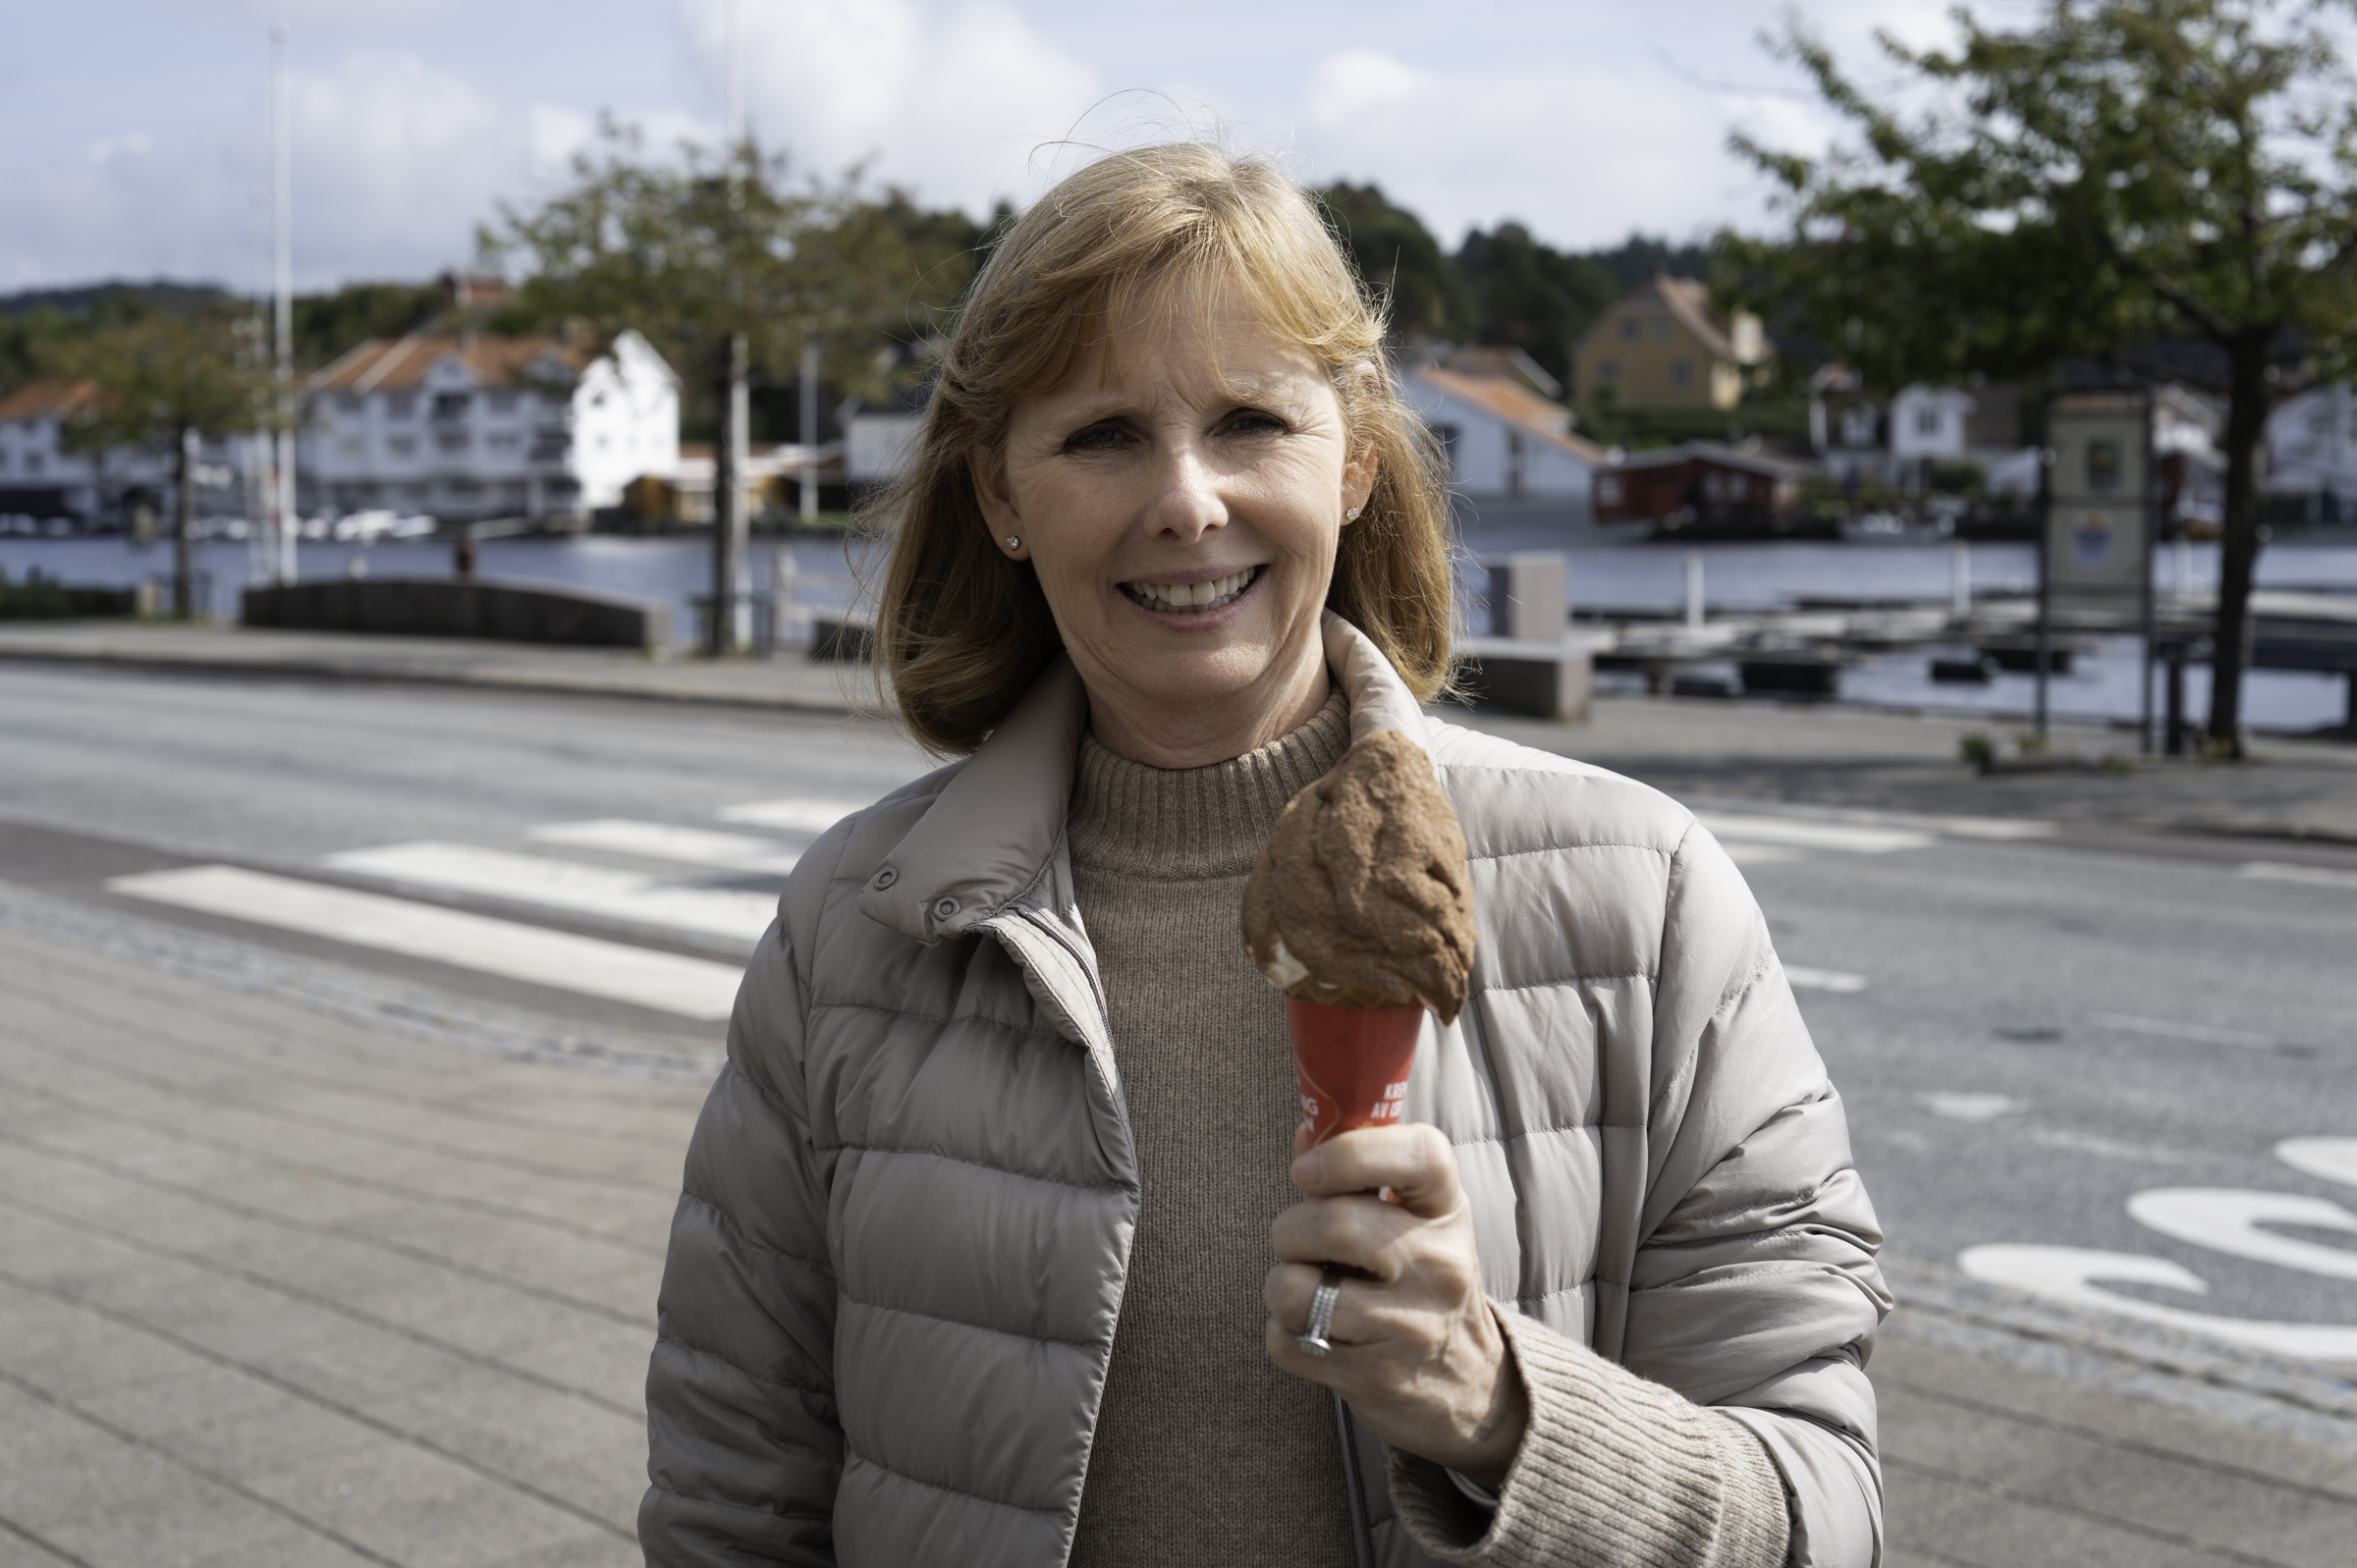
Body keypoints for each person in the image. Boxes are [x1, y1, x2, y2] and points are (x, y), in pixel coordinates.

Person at [639, 142, 1890, 1568]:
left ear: (1355, 461)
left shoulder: (1643, 898)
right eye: (1103, 434)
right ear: (998, 495)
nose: (1187, 501)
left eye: (1249, 420)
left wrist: (1499, 1410)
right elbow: (733, 1499)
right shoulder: (853, 929)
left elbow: (1823, 1516)